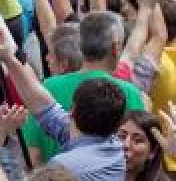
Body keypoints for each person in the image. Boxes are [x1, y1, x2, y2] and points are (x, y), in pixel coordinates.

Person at [0, 24, 127, 180]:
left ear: (72, 110)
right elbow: (44, 106)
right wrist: (8, 58)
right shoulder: (114, 146)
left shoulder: (63, 167)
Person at [20, 11, 147, 164]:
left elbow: (32, 151)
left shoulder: (47, 87)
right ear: (115, 48)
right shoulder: (129, 93)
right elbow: (138, 155)